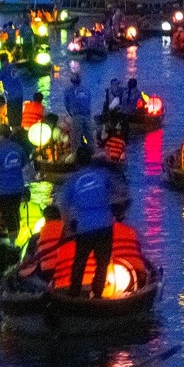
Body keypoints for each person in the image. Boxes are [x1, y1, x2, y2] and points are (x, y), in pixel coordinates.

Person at [58, 146, 120, 297]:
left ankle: (74, 294)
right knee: (102, 263)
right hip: (104, 225)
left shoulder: (72, 181)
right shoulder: (103, 174)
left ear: (77, 162)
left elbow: (62, 204)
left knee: (80, 262)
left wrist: (67, 226)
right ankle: (97, 294)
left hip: (84, 227)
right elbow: (120, 191)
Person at [0, 125, 27, 240]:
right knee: (14, 212)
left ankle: (13, 241)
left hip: (2, 189)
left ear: (1, 136)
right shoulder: (18, 148)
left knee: (7, 215)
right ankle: (15, 238)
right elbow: (24, 164)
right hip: (18, 188)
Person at [64, 74, 93, 151]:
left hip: (77, 116)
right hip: (87, 115)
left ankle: (76, 153)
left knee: (76, 136)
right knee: (89, 135)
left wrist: (71, 114)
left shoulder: (68, 91)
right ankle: (91, 151)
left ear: (71, 81)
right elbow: (89, 102)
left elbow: (66, 105)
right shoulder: (86, 90)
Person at [0, 57, 24, 128]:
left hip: (12, 97)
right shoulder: (12, 67)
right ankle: (17, 130)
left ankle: (14, 131)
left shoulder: (3, 71)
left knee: (12, 118)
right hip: (19, 96)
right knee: (18, 116)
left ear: (1, 63)